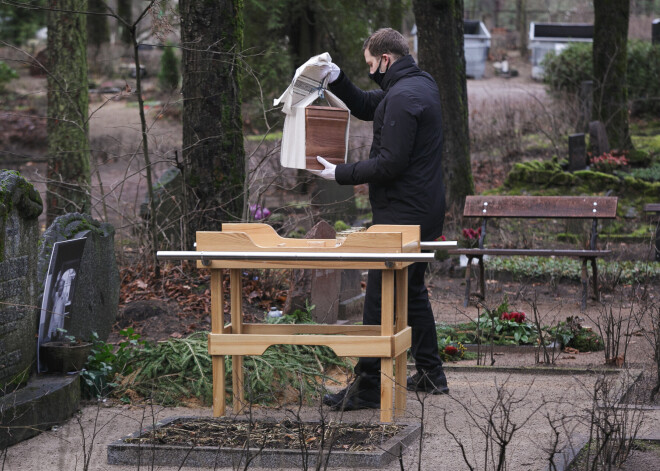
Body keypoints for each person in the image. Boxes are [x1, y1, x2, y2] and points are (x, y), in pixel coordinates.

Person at [310, 28, 449, 411]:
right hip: (424, 206)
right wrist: (338, 79)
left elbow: (391, 163)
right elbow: (371, 106)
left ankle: (368, 386)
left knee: (378, 298)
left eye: (370, 64)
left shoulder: (404, 96)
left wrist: (341, 173)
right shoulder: (416, 84)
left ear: (385, 60)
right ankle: (431, 374)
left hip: (404, 212)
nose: (370, 71)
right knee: (412, 292)